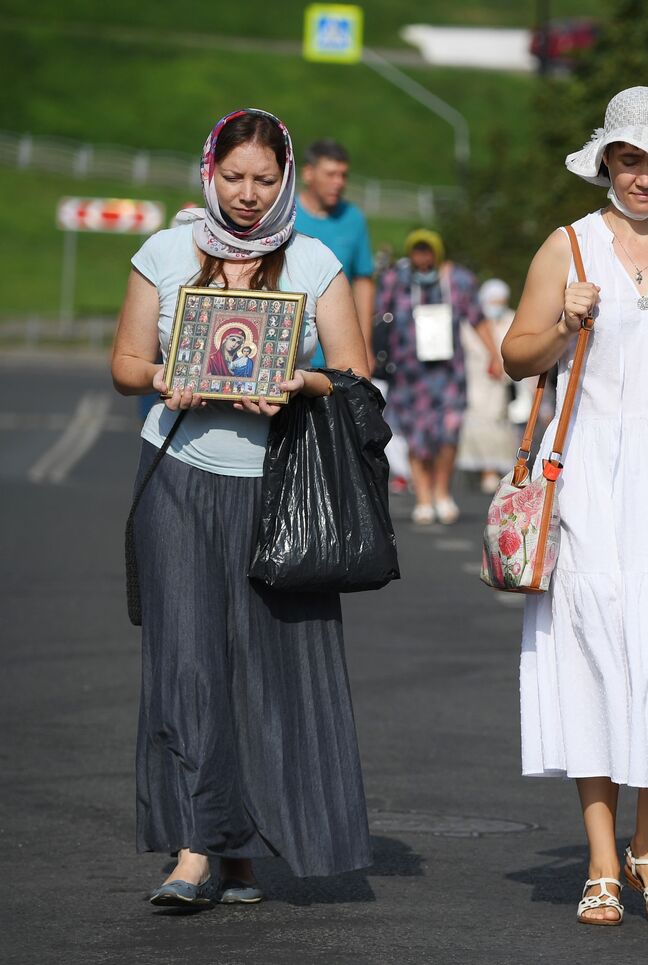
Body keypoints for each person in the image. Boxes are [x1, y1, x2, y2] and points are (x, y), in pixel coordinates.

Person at [109, 108, 373, 908]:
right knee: (186, 664)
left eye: (265, 179)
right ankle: (195, 849)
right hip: (180, 476)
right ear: (209, 172)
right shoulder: (163, 251)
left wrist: (301, 382)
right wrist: (162, 377)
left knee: (268, 671)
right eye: (234, 178)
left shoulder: (315, 259)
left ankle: (249, 849)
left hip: (279, 491)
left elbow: (357, 372)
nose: (249, 195)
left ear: (286, 177)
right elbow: (124, 363)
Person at [501, 86, 648, 928]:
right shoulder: (565, 246)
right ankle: (603, 857)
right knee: (594, 650)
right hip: (592, 467)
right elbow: (515, 356)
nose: (643, 175)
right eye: (629, 159)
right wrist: (562, 324)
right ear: (606, 161)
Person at [377, 228, 493, 525]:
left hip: (448, 372)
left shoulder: (457, 281)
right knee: (416, 436)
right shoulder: (396, 280)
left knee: (448, 433)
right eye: (417, 250)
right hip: (409, 373)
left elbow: (477, 318)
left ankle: (442, 491)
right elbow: (374, 314)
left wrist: (494, 354)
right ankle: (424, 496)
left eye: (427, 250)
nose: (422, 257)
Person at [296, 138, 376, 363]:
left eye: (343, 175)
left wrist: (365, 344)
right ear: (309, 173)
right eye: (331, 174)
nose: (339, 182)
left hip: (338, 356)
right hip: (292, 352)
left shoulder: (354, 219)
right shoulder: (286, 216)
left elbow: (363, 282)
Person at [457, 278, 516, 492]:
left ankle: (497, 468)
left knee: (498, 420)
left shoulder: (512, 319)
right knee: (477, 420)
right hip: (475, 380)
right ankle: (485, 470)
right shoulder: (471, 323)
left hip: (500, 381)